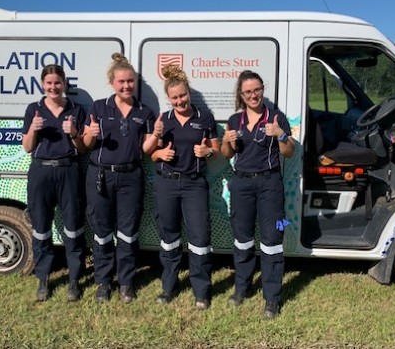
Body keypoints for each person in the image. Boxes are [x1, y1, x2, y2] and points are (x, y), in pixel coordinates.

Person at [83, 53, 161, 303]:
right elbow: (85, 144)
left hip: (131, 177)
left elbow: (145, 151)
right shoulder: (98, 107)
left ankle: (126, 282)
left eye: (130, 81)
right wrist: (92, 135)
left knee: (128, 233)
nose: (126, 85)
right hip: (101, 176)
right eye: (121, 81)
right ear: (112, 83)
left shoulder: (145, 112)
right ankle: (103, 282)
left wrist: (156, 135)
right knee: (102, 232)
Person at [221, 70, 295, 318]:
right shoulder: (234, 120)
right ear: (241, 95)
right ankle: (241, 288)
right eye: (248, 92)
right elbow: (227, 154)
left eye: (257, 90)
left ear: (263, 89)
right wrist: (227, 141)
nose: (253, 95)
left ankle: (271, 298)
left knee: (273, 238)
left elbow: (289, 152)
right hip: (241, 184)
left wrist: (281, 135)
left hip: (270, 183)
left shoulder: (275, 118)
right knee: (242, 239)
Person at [150, 65, 218, 310]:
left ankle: (201, 291)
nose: (179, 101)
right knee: (169, 238)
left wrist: (207, 151)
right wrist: (159, 151)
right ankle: (169, 286)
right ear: (169, 99)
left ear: (189, 92)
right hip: (166, 183)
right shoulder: (163, 121)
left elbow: (217, 148)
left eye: (183, 95)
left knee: (200, 239)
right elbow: (151, 153)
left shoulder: (204, 117)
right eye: (174, 97)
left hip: (194, 185)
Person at [22, 64, 87, 302]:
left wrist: (74, 134)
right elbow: (27, 147)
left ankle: (74, 281)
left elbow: (81, 149)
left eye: (57, 82)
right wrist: (33, 129)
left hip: (68, 170)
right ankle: (43, 281)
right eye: (49, 83)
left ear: (64, 84)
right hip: (41, 172)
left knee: (73, 228)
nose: (53, 87)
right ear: (43, 85)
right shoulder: (34, 110)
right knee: (41, 229)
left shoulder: (76, 110)